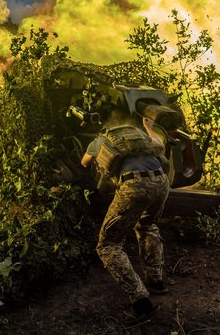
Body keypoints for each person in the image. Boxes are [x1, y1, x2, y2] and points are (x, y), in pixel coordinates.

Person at [81, 116, 170, 319]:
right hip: (161, 182)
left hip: (135, 186)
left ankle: (141, 301)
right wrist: (148, 127)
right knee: (147, 226)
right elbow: (160, 145)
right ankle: (156, 281)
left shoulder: (100, 140)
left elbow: (84, 163)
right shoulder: (138, 136)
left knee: (108, 244)